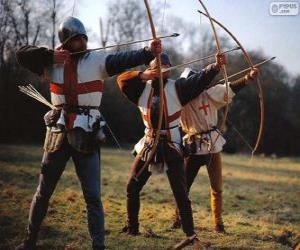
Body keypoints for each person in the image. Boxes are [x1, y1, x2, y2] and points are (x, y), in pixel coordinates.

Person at [15, 16, 161, 250]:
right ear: (66, 42)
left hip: (87, 132)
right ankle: (29, 242)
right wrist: (49, 56)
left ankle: (98, 247)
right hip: (58, 131)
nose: (82, 43)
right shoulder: (50, 61)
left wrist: (146, 52)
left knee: (92, 196)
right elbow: (21, 54)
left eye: (84, 38)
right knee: (43, 192)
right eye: (76, 40)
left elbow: (122, 59)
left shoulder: (97, 60)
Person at [116, 52, 226, 248]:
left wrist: (215, 66)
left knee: (181, 193)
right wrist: (144, 75)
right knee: (132, 187)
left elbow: (200, 79)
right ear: (150, 70)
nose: (162, 70)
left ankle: (190, 234)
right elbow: (121, 80)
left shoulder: (178, 88)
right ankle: (132, 227)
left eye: (165, 66)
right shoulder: (140, 89)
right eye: (157, 66)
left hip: (172, 145)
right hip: (149, 143)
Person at [171, 66, 259, 233]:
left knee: (217, 187)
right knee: (183, 186)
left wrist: (248, 77)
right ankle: (178, 218)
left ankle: (218, 223)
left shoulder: (208, 94)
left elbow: (230, 88)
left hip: (212, 145)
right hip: (193, 146)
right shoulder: (178, 100)